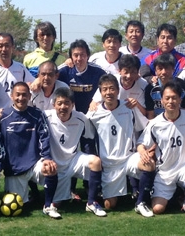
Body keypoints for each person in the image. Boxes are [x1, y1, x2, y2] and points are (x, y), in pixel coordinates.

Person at [136, 82, 185, 216]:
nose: (171, 101)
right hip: (165, 172)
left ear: (180, 99)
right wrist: (143, 152)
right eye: (167, 98)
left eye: (174, 98)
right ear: (162, 101)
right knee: (158, 209)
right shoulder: (155, 123)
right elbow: (141, 143)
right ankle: (178, 194)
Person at [87, 75, 152, 213]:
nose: (108, 92)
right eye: (105, 89)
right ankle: (110, 192)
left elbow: (146, 126)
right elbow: (86, 135)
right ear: (100, 92)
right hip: (109, 164)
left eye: (112, 88)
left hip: (129, 158)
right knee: (109, 205)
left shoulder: (129, 107)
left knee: (149, 163)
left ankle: (141, 202)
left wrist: (142, 148)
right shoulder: (93, 113)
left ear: (118, 90)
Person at [44, 87, 104, 218]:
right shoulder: (45, 116)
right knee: (57, 204)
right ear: (54, 105)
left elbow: (88, 139)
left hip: (73, 161)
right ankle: (50, 202)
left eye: (67, 103)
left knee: (95, 161)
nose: (63, 107)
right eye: (59, 103)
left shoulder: (81, 118)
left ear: (72, 105)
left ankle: (91, 202)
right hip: (54, 165)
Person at [0, 82, 58, 204]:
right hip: (14, 168)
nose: (21, 98)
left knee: (50, 169)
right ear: (11, 96)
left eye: (24, 95)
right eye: (17, 94)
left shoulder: (37, 114)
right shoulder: (2, 116)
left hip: (35, 164)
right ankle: (33, 193)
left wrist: (47, 158)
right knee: (16, 204)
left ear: (29, 96)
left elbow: (44, 137)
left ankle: (48, 204)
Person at [58, 40, 105, 199]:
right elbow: (50, 75)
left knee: (89, 150)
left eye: (82, 55)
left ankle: (90, 186)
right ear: (71, 56)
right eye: (75, 55)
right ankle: (70, 188)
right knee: (70, 152)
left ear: (88, 56)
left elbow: (108, 84)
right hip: (70, 120)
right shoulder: (65, 71)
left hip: (90, 119)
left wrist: (96, 100)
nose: (79, 58)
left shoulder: (97, 71)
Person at [0, 32, 33, 110]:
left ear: (13, 47)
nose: (4, 49)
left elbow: (33, 83)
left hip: (16, 114)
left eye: (7, 46)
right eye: (0, 46)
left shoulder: (20, 68)